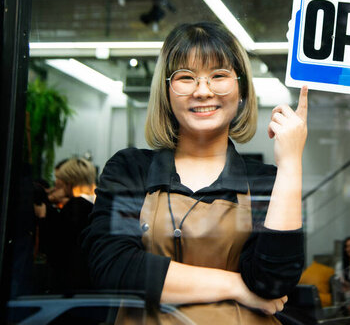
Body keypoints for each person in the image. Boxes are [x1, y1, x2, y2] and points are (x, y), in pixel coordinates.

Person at [81, 22, 309, 324]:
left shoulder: (265, 181)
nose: (203, 91)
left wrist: (291, 163)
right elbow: (114, 267)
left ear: (240, 88)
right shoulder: (131, 170)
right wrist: (237, 286)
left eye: (219, 75)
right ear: (166, 91)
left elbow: (273, 284)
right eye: (186, 78)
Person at [34, 157, 96, 292]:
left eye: (63, 180)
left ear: (70, 181)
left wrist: (43, 217)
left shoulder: (75, 208)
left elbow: (56, 249)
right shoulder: (93, 206)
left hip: (69, 283)